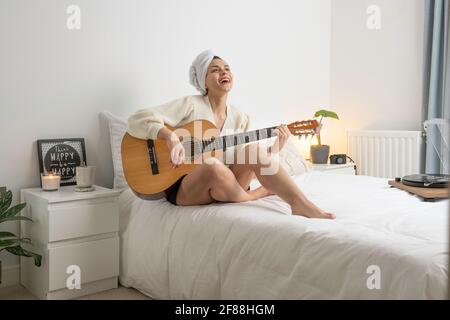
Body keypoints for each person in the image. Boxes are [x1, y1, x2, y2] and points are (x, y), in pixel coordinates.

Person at [127, 50, 335, 219]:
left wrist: (275, 149)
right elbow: (138, 118)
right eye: (215, 70)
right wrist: (170, 138)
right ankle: (253, 195)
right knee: (213, 166)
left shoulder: (240, 117)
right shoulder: (190, 105)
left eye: (227, 68)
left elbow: (247, 168)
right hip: (186, 187)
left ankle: (300, 204)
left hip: (226, 182)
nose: (223, 72)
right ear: (203, 81)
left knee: (252, 150)